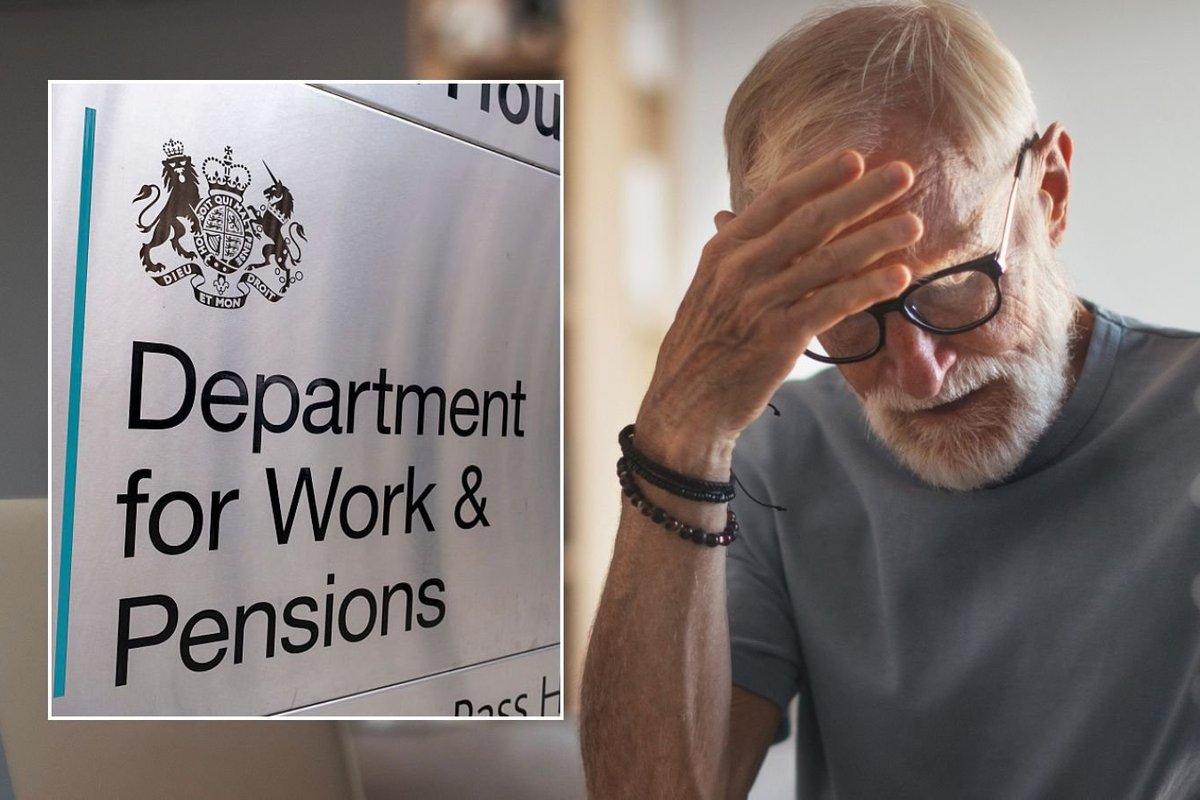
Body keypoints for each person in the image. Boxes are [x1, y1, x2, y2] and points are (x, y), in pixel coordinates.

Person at [578, 1, 1200, 797]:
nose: (917, 374)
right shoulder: (773, 464)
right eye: (841, 308)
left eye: (952, 285)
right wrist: (682, 428)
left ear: (1050, 191)